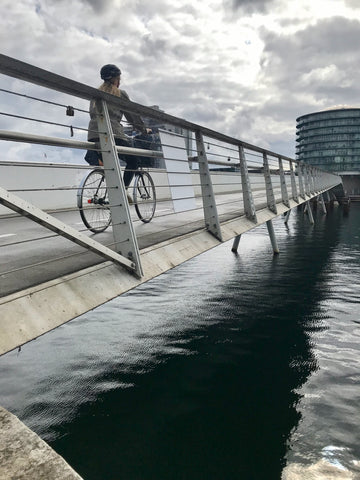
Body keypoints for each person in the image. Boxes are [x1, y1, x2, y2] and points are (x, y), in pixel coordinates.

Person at [85, 64, 149, 202]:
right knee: (133, 161)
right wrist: (144, 129)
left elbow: (92, 114)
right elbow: (132, 116)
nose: (120, 82)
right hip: (112, 133)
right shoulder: (120, 94)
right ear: (115, 79)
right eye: (119, 79)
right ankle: (123, 190)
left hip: (93, 135)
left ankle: (112, 192)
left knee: (110, 163)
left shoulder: (95, 94)